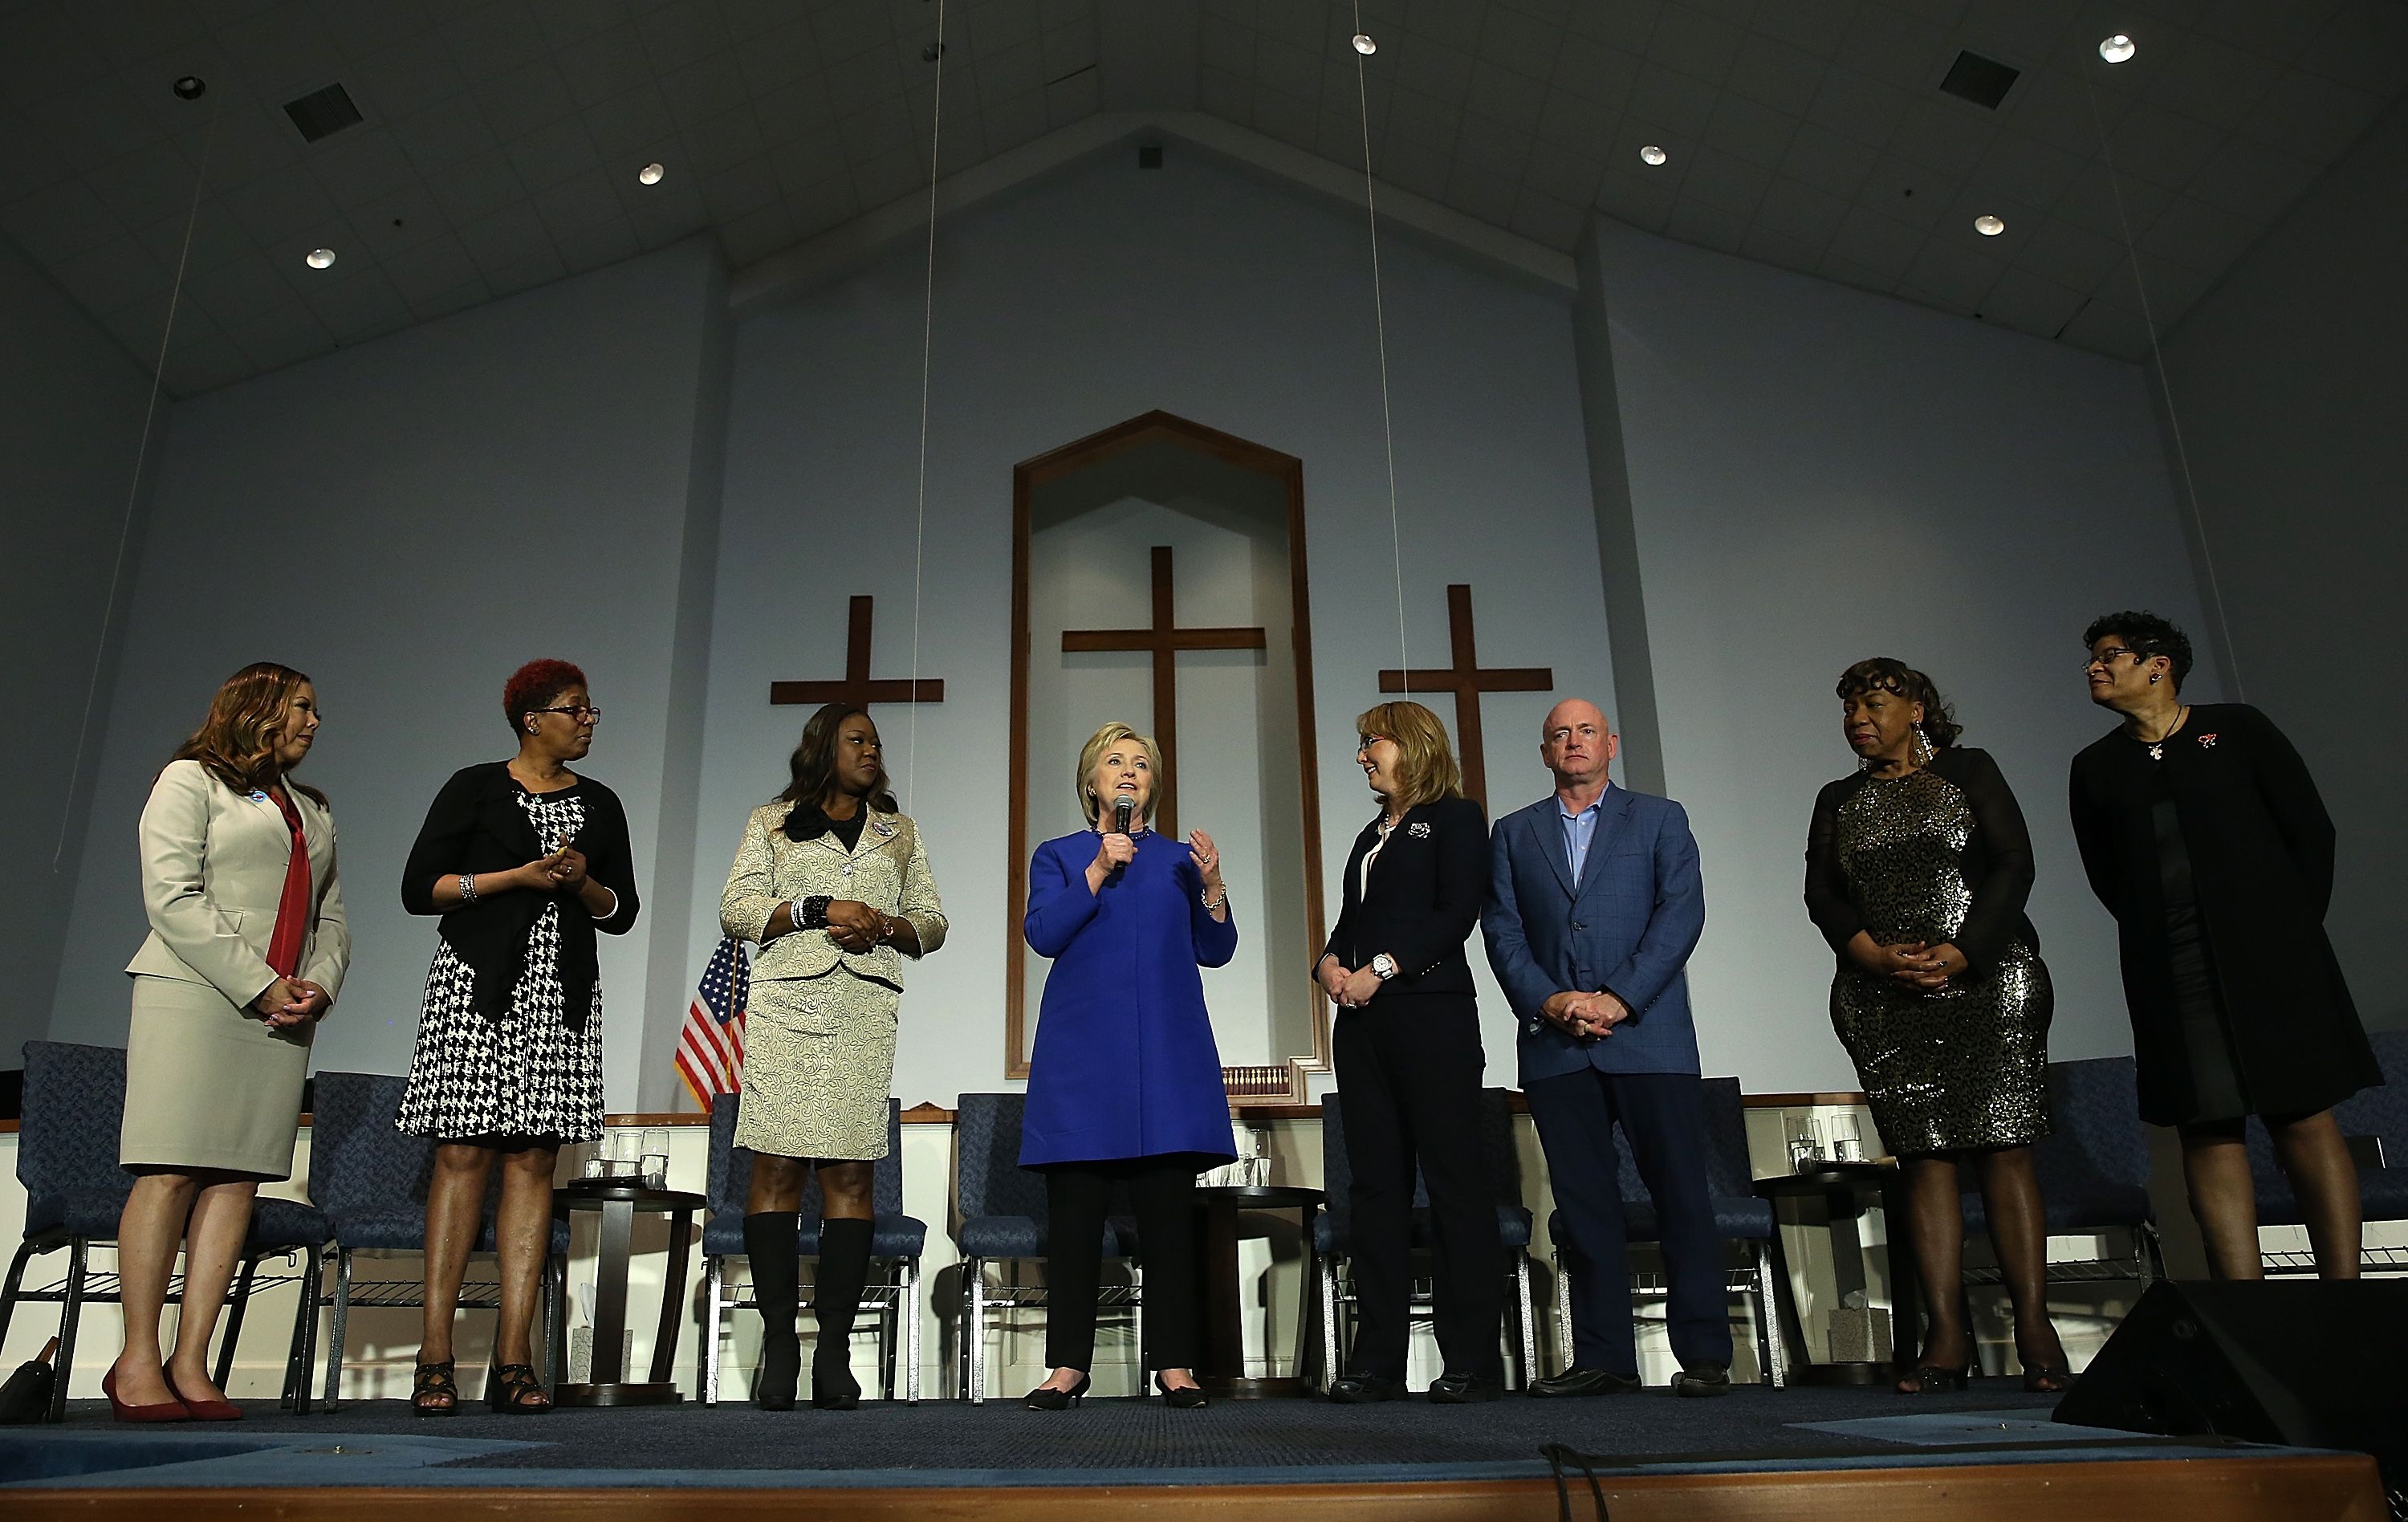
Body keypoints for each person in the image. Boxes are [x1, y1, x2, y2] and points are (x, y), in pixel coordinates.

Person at [2069, 612, 2377, 1280]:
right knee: (2205, 1124)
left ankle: (2346, 1295)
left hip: (2272, 959)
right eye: (2091, 658)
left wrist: (2289, 932)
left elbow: (2309, 832)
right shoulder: (2094, 767)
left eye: (2110, 655)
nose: (2094, 667)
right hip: (2171, 968)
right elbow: (2107, 876)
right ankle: (2245, 1307)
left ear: (2159, 665)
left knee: (2302, 1114)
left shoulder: (2239, 729)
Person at [1804, 660, 2071, 1394]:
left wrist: (1962, 951)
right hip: (1884, 997)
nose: (1859, 717)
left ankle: (2034, 1326)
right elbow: (1821, 893)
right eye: (1850, 707)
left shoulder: (1970, 770)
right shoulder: (1839, 798)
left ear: (1917, 709)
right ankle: (1945, 1335)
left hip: (1988, 984)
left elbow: (2014, 864)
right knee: (1926, 1159)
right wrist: (1870, 955)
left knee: (2006, 1150)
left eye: (1875, 703)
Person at [396, 659, 641, 1415]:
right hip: (477, 985)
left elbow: (621, 908)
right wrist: (513, 878)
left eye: (592, 709)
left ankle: (514, 1360)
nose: (590, 719)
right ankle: (435, 1355)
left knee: (534, 1161)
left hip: (559, 996)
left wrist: (577, 881)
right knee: (463, 1153)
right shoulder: (473, 787)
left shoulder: (600, 804)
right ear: (533, 718)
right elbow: (419, 889)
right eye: (577, 708)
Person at [108, 663, 348, 1422]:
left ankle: (191, 1361)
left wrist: (318, 985)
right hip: (196, 996)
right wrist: (259, 981)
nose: (314, 723)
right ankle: (137, 1358)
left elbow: (331, 917)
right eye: (303, 708)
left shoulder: (311, 810)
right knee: (171, 1172)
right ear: (259, 708)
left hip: (280, 1015)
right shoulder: (188, 782)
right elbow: (172, 896)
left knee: (238, 1182)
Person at [1483, 698, 1727, 1398]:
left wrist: (1620, 998)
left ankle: (1705, 1354)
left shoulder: (1660, 818)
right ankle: (1604, 1358)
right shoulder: (1513, 832)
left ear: (1610, 744)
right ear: (1544, 750)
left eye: (1586, 731)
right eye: (1560, 733)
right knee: (1584, 1208)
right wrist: (1552, 1001)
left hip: (1649, 1038)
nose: (1574, 741)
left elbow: (1682, 914)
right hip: (1557, 1049)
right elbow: (1502, 932)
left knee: (1682, 1196)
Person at [717, 703, 947, 1410]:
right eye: (858, 739)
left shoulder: (898, 832)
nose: (872, 750)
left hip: (862, 1010)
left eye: (876, 742)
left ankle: (837, 1352)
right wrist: (820, 910)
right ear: (823, 747)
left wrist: (887, 926)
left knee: (850, 1175)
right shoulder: (772, 822)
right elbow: (737, 908)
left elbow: (934, 922)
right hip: (789, 1007)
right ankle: (781, 1347)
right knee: (777, 1169)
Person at [1019, 722, 1233, 1410]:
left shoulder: (1178, 859)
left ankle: (1174, 1364)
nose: (1129, 772)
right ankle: (1068, 1368)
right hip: (1083, 1056)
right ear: (1090, 782)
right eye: (1114, 762)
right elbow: (1045, 933)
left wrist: (1212, 888)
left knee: (1169, 1214)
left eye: (1141, 764)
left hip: (1166, 1054)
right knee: (1076, 1215)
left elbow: (1217, 949)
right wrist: (1098, 869)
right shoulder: (1058, 855)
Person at [1316, 701, 1501, 1404]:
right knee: (1375, 1192)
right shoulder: (1370, 834)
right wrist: (1329, 964)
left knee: (1454, 1184)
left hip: (1432, 1021)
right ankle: (1378, 1360)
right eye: (1361, 744)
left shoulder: (1455, 818)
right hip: (1363, 1029)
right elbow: (1350, 923)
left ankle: (1471, 1360)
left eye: (1373, 742)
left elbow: (1456, 915)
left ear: (1414, 744)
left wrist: (1382, 969)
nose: (1363, 755)